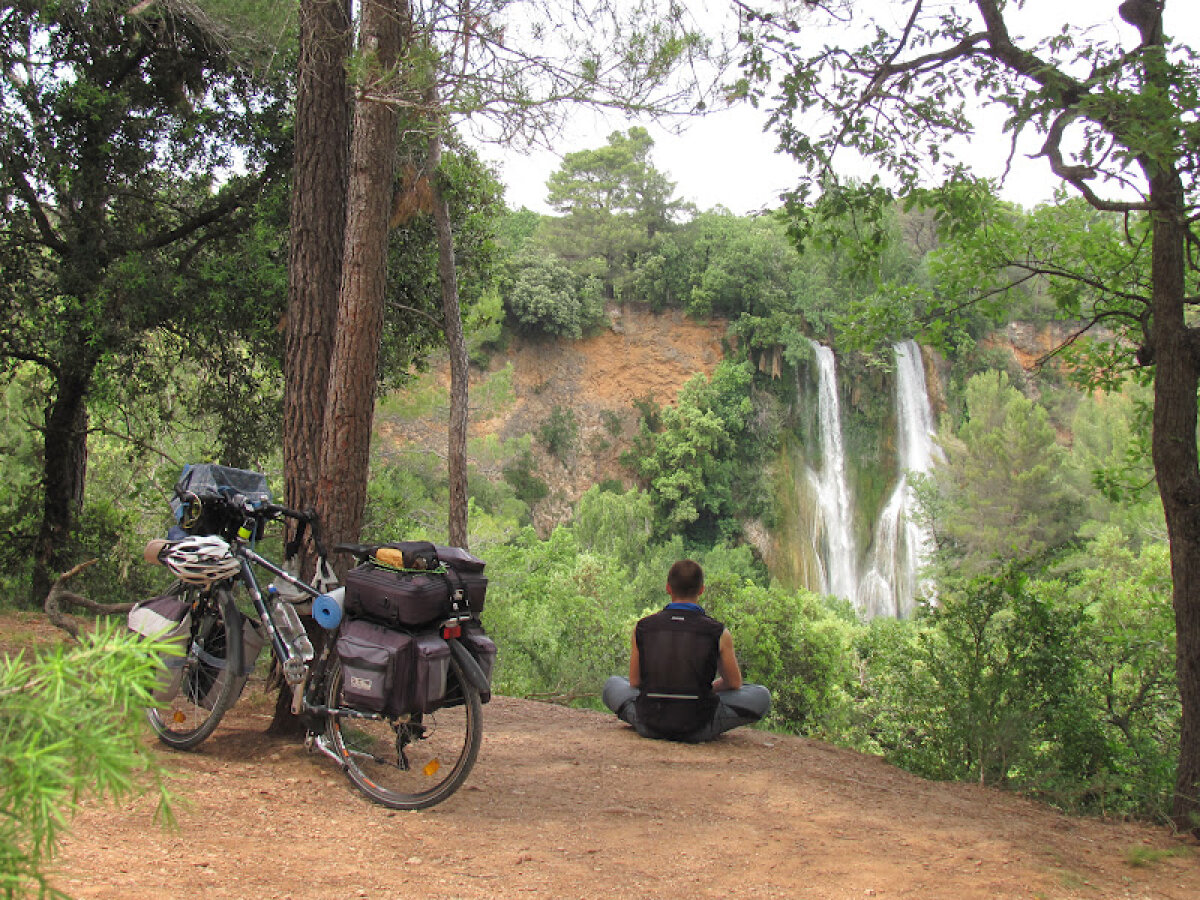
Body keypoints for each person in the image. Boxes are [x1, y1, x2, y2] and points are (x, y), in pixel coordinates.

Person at [603, 559, 771, 742]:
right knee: (761, 694)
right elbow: (734, 683)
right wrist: (707, 688)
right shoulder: (718, 632)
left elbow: (635, 682)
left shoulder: (643, 627)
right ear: (701, 590)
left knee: (613, 683)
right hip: (699, 725)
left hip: (650, 722)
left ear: (668, 588)